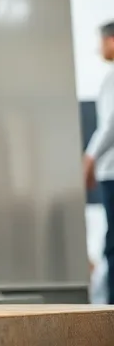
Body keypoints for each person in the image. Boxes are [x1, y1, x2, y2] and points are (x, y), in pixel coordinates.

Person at [83, 20, 114, 303]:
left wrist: (90, 158)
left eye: (102, 41)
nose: (98, 48)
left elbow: (110, 125)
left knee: (113, 244)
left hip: (112, 171)